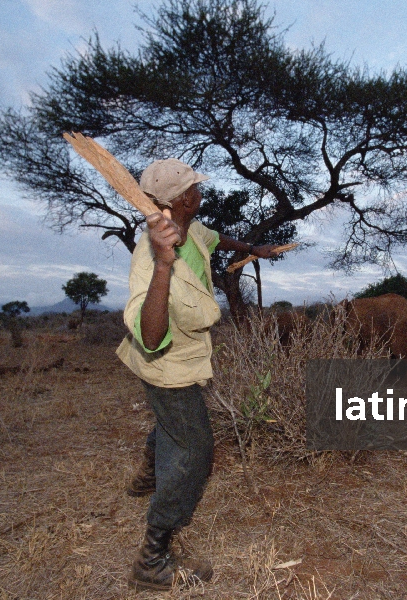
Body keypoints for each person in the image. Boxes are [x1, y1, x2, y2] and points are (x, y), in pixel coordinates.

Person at [116, 158, 276, 590]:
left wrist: (251, 249)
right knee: (195, 451)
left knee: (174, 427)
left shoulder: (191, 230)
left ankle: (147, 475)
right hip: (167, 368)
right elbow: (150, 338)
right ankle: (152, 558)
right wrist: (164, 265)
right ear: (185, 198)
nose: (200, 193)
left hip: (185, 360)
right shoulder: (150, 259)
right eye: (195, 189)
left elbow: (214, 238)